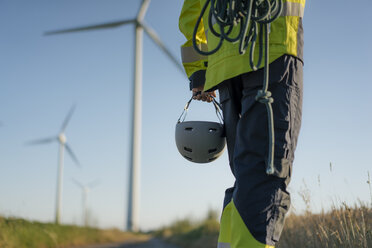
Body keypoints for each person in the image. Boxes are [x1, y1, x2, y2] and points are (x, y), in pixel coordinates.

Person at [179, 0, 306, 247]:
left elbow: (192, 10)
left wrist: (199, 69)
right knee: (263, 178)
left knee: (246, 177)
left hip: (224, 68)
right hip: (272, 51)